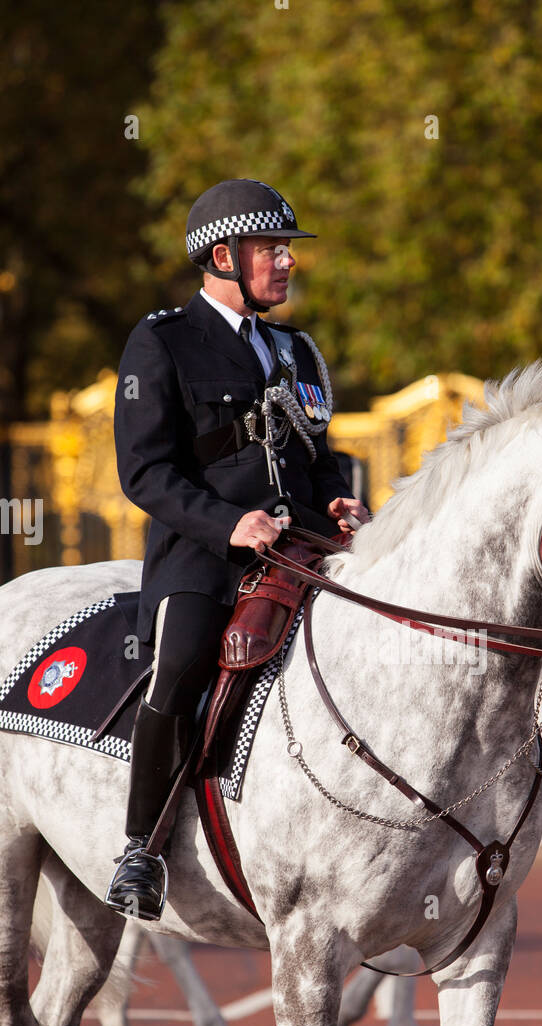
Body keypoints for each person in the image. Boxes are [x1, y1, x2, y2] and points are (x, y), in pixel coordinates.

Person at [105, 179, 369, 921]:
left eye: (287, 249)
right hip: (205, 561)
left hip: (302, 550)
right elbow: (146, 472)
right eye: (271, 249)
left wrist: (337, 500)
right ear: (223, 256)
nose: (286, 262)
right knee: (182, 663)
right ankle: (141, 850)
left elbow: (317, 456)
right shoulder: (162, 341)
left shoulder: (296, 348)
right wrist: (230, 525)